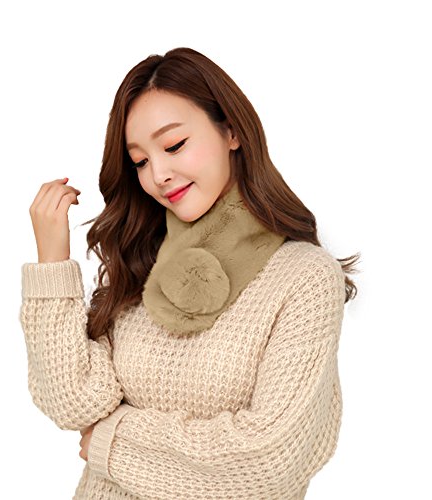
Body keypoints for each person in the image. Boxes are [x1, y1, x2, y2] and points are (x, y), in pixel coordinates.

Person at [19, 47, 360, 500]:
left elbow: (268, 461)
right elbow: (74, 401)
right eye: (140, 161)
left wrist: (112, 441)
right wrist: (51, 262)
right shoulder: (142, 261)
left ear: (231, 130)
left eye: (174, 145)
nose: (158, 174)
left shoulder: (304, 279)